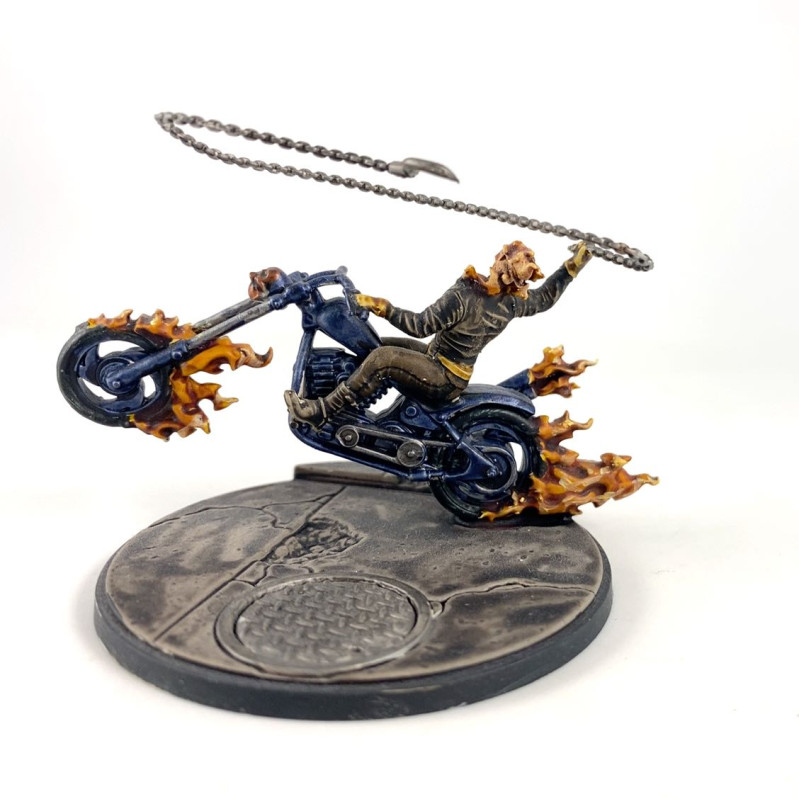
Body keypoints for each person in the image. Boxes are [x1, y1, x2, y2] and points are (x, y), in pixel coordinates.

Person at [284, 240, 593, 427]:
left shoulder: (466, 295)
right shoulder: (512, 302)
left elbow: (420, 326)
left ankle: (322, 411)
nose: (498, 256)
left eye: (503, 256)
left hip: (442, 377)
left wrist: (381, 306)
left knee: (382, 357)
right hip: (444, 365)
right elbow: (545, 298)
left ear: (501, 263)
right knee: (374, 345)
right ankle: (351, 404)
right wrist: (573, 265)